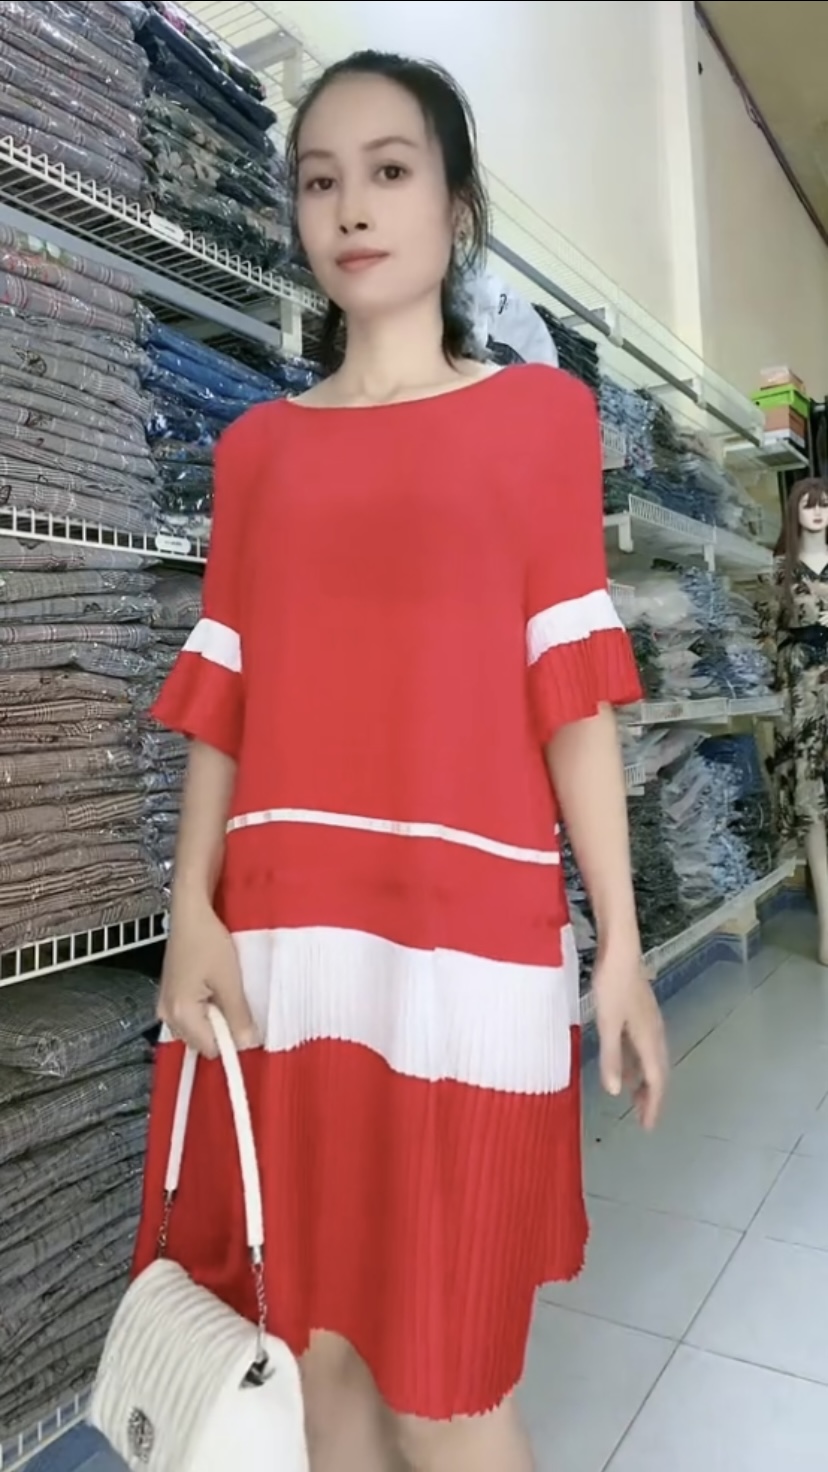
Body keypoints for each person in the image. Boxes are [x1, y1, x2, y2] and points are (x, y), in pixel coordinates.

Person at [133, 49, 668, 1472]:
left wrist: (620, 943)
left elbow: (572, 698)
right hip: (282, 949)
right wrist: (192, 911)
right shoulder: (257, 452)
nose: (352, 208)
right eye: (321, 181)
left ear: (456, 206)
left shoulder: (538, 421)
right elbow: (227, 701)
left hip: (466, 958)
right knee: (317, 1365)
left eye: (388, 171)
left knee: (454, 1385)